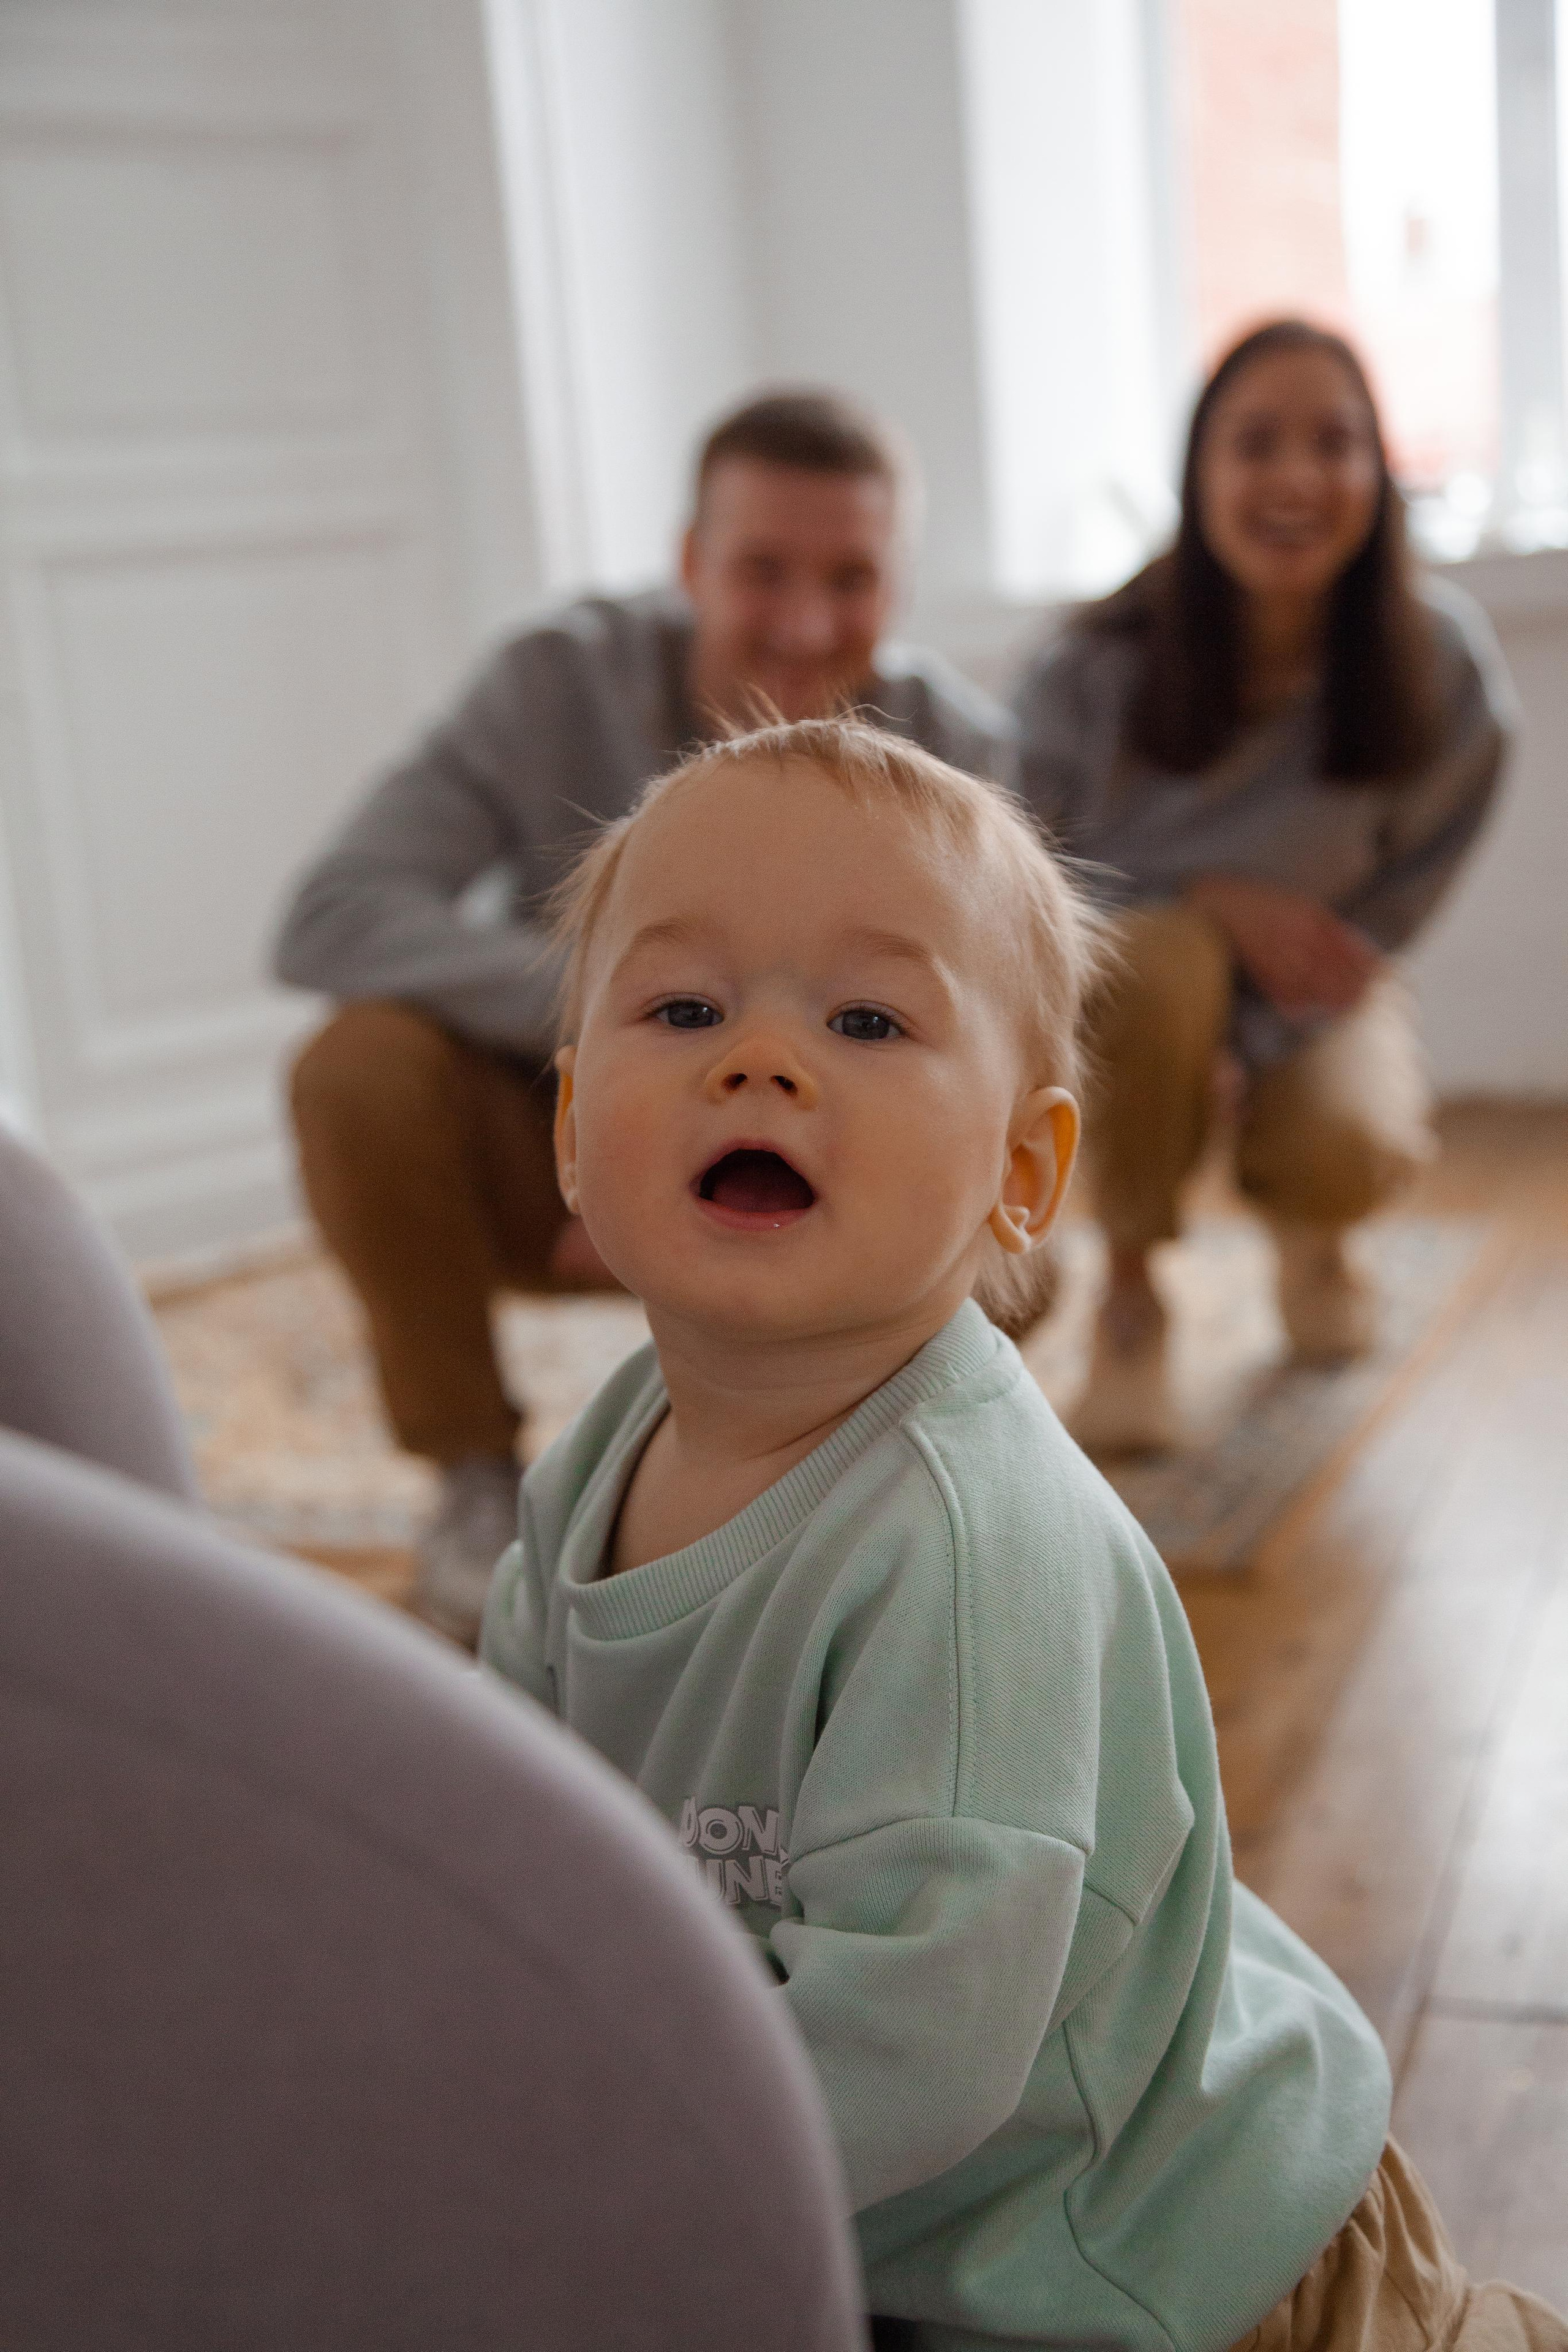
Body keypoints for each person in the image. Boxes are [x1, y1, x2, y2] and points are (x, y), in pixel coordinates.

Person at [479, 714, 1563, 2352]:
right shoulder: (595, 1463)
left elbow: (919, 2049)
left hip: (1154, 2252)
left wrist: (577, 2183)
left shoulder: (967, 1552)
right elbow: (499, 1813)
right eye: (684, 1007)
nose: (758, 1061)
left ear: (1023, 1170)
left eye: (866, 1020)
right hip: (873, 2209)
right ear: (572, 1129)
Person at [273, 389, 1010, 1640]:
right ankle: (472, 1480)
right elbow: (332, 915)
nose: (805, 625)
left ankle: (888, 1495)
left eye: (851, 579)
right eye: (762, 572)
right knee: (356, 1066)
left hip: (840, 1159)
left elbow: (1016, 1032)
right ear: (689, 565)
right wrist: (633, 1077)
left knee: (1007, 1199)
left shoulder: (962, 751)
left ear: (900, 583)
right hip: (559, 1134)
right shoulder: (549, 682)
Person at [1012, 319, 1515, 1454]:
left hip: (1312, 985)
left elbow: (1423, 862)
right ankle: (1132, 1296)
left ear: (1378, 476)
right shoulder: (1088, 665)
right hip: (1133, 990)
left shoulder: (1442, 667)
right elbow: (1027, 875)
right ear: (1199, 473)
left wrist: (1280, 1014)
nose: (1296, 478)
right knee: (1162, 960)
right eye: (1255, 443)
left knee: (1353, 1143)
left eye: (1333, 443)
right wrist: (1211, 901)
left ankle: (1315, 1231)